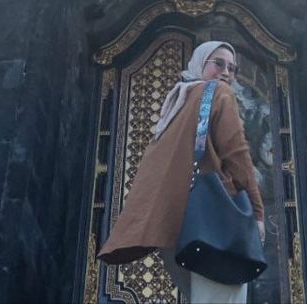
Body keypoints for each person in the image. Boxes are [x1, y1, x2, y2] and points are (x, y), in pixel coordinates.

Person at [99, 41, 264, 304]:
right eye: (218, 63)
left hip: (176, 228)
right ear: (201, 63)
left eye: (232, 69)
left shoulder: (177, 101)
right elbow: (237, 154)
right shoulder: (219, 93)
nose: (226, 73)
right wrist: (257, 212)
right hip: (213, 223)